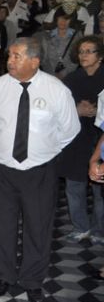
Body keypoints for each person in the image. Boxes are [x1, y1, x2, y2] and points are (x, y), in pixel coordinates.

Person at [0, 37, 80, 302]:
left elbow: (70, 129)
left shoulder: (56, 90)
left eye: (17, 56)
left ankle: (33, 280)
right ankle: (3, 276)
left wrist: (44, 150)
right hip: (2, 168)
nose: (10, 61)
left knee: (38, 226)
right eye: (9, 55)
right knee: (1, 225)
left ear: (35, 61)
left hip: (39, 170)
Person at [58, 36, 104, 243]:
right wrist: (76, 109)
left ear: (100, 56)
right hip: (77, 138)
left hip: (99, 138)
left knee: (99, 189)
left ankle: (99, 229)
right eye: (81, 51)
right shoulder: (72, 78)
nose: (83, 55)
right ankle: (80, 226)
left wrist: (98, 111)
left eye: (89, 51)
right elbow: (60, 107)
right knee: (74, 185)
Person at [38, 11, 80, 79]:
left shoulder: (77, 36)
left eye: (67, 19)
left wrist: (64, 73)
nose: (63, 21)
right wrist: (51, 74)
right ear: (56, 18)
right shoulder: (46, 35)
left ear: (72, 20)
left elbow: (77, 58)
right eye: (60, 18)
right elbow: (43, 59)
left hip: (69, 76)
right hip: (49, 75)